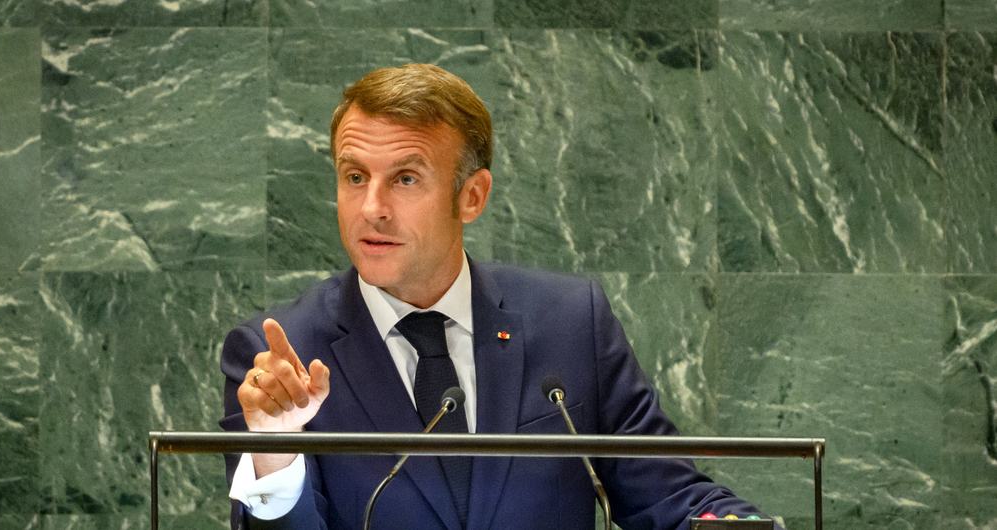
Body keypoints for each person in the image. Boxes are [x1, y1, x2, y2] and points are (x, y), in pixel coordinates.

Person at [219, 64, 771, 530]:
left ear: (473, 195)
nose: (371, 208)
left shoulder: (572, 323)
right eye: (355, 176)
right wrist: (276, 451)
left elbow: (670, 498)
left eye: (406, 179)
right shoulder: (279, 357)